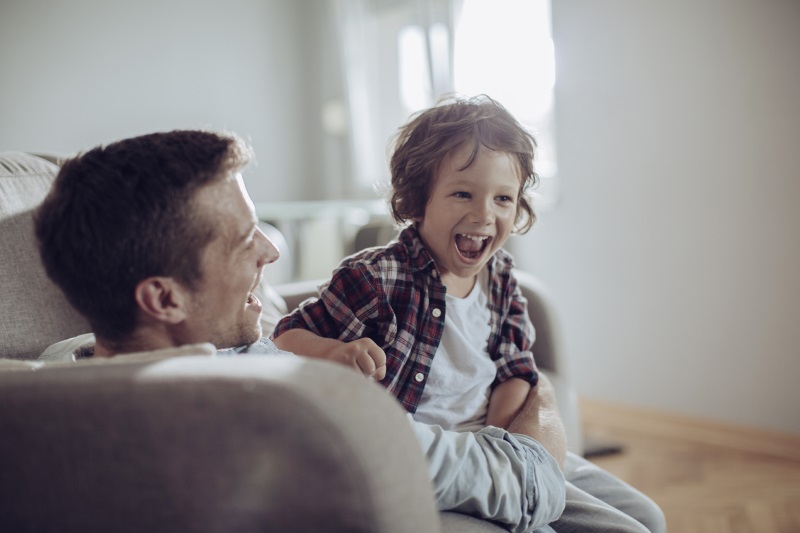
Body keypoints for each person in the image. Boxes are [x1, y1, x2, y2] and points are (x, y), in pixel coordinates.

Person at [35, 130, 664, 533]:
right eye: (241, 241)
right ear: (163, 297)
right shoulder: (275, 403)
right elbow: (518, 485)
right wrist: (542, 412)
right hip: (492, 472)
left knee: (644, 513)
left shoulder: (61, 371)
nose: (271, 252)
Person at [273, 95, 538, 432]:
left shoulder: (501, 278)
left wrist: (500, 443)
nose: (484, 215)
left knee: (602, 487)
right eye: (462, 194)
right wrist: (332, 352)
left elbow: (514, 370)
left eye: (503, 198)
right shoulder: (374, 278)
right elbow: (283, 338)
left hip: (487, 443)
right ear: (417, 201)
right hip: (413, 450)